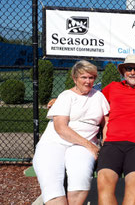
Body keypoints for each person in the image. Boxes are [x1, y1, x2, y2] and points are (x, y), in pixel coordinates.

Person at [33, 60, 110, 205]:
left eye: (91, 77)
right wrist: (90, 145)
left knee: (80, 177)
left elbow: (106, 122)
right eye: (83, 77)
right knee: (52, 184)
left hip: (82, 148)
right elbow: (61, 128)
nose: (88, 81)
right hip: (54, 143)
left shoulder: (98, 96)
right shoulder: (65, 96)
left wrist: (105, 143)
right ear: (75, 78)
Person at [97, 54, 135, 205]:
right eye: (129, 68)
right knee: (104, 188)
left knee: (134, 191)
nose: (132, 72)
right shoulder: (112, 87)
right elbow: (88, 97)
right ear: (123, 71)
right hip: (112, 144)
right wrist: (60, 99)